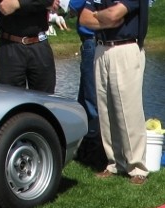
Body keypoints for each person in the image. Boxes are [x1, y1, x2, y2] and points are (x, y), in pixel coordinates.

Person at [79, 0, 150, 183]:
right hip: (101, 48)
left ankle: (137, 168)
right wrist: (104, 19)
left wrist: (100, 16)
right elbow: (84, 19)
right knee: (105, 110)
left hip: (125, 48)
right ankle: (114, 163)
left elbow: (114, 15)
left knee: (129, 111)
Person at [0, 0, 57, 93]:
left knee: (45, 101)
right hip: (10, 46)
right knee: (11, 100)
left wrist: (18, 4)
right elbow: (5, 6)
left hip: (39, 45)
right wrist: (40, 4)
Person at [68, 0, 103, 167]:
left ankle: (93, 150)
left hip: (93, 40)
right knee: (84, 98)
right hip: (93, 42)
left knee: (91, 100)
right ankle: (83, 146)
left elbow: (73, 8)